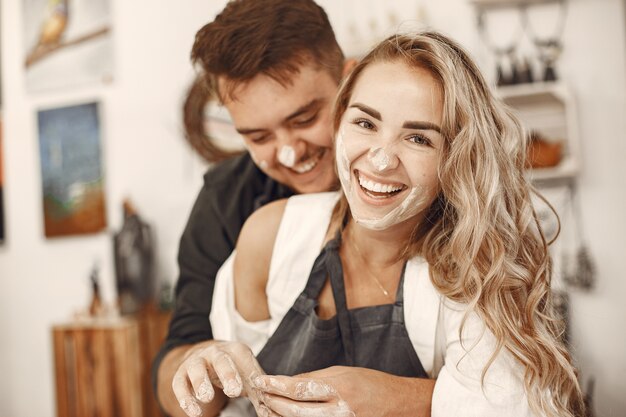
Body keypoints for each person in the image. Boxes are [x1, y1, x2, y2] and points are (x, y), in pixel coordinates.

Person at [172, 31, 585, 417]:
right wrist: (204, 368)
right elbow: (230, 399)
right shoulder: (271, 236)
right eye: (365, 123)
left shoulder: (480, 266)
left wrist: (390, 397)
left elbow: (508, 405)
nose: (381, 159)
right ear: (340, 120)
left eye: (419, 138)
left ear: (456, 158)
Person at [152, 0, 356, 415]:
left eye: (304, 119)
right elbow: (174, 367)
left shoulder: (417, 170)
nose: (288, 152)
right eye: (259, 137)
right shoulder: (225, 199)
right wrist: (202, 366)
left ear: (350, 80)